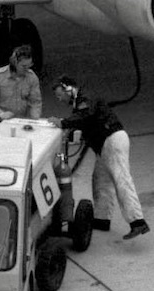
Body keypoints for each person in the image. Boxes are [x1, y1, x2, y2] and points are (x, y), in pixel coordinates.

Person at [53, 77, 148, 239]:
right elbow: (85, 119)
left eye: (60, 95)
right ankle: (101, 219)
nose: (59, 99)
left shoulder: (85, 98)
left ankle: (138, 222)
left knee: (121, 179)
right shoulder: (80, 103)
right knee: (101, 181)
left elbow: (85, 116)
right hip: (104, 145)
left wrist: (63, 123)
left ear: (68, 89)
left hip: (112, 140)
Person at [0, 45, 42, 133]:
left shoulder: (32, 77)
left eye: (29, 65)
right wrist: (0, 114)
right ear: (15, 62)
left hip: (19, 122)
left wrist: (35, 119)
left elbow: (35, 102)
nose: (27, 69)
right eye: (23, 66)